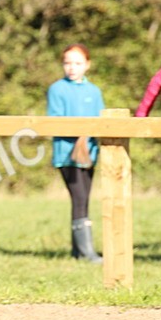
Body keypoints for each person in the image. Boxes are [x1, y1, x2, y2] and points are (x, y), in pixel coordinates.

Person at [47, 44, 105, 263]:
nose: (72, 68)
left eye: (77, 63)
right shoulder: (57, 89)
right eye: (68, 63)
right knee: (79, 198)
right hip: (67, 154)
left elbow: (101, 117)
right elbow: (55, 119)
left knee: (84, 199)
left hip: (89, 153)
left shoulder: (94, 91)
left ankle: (77, 250)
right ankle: (87, 252)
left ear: (87, 65)